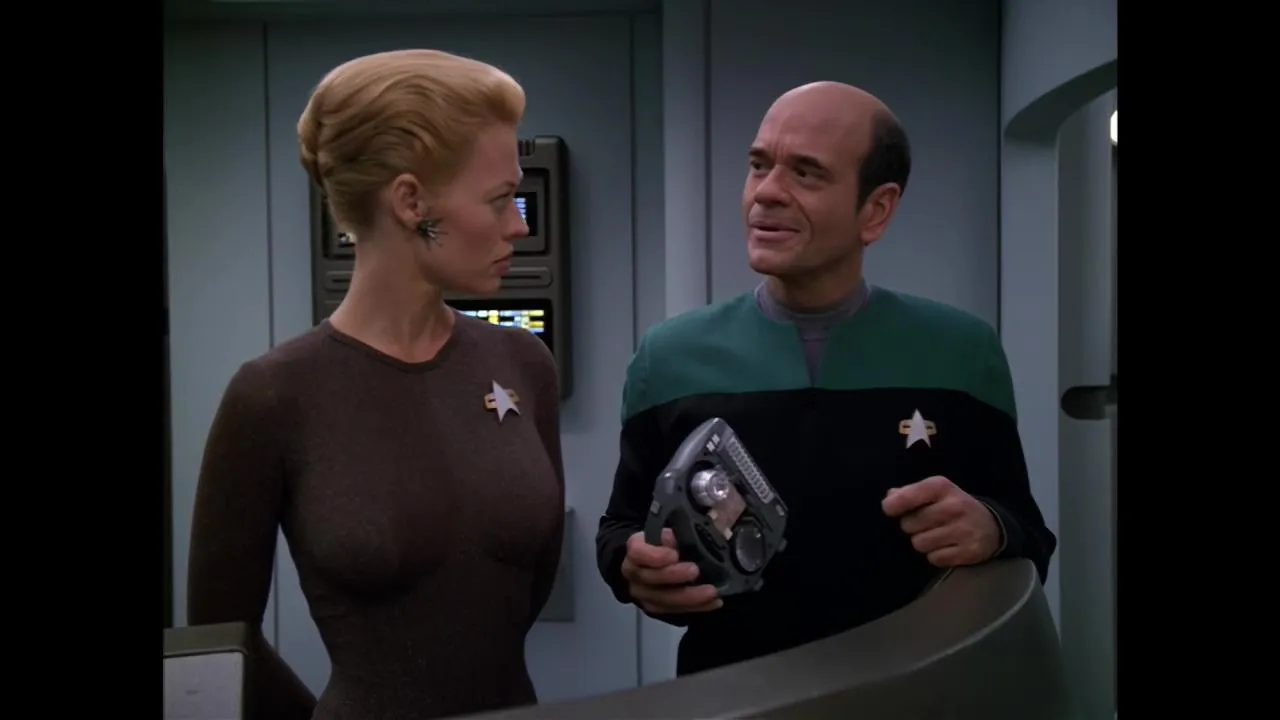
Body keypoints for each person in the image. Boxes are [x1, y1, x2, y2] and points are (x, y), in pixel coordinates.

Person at [595, 81, 1056, 677]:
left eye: (806, 173)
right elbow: (621, 528)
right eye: (758, 165)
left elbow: (1028, 534)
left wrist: (991, 529)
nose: (766, 192)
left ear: (876, 210)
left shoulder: (963, 352)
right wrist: (633, 569)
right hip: (733, 696)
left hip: (918, 695)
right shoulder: (668, 357)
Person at [186, 49, 566, 720]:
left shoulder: (522, 364)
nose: (519, 224)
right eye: (499, 199)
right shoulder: (273, 396)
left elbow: (529, 590)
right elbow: (217, 648)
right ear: (411, 202)